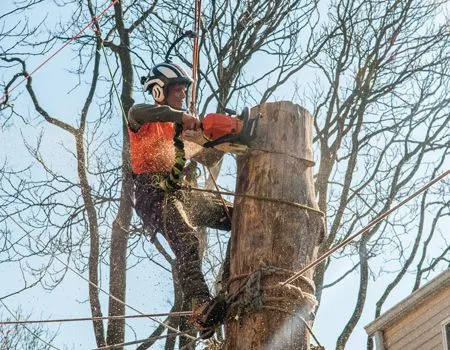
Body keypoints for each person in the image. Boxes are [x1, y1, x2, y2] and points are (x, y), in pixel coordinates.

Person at [127, 61, 231, 339]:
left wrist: (216, 139)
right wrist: (180, 117)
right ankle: (200, 305)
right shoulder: (142, 118)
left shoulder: (182, 133)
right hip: (153, 194)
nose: (182, 95)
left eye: (184, 90)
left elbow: (209, 156)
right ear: (159, 91)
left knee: (237, 216)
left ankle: (229, 283)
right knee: (186, 238)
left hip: (181, 193)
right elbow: (137, 110)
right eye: (177, 90)